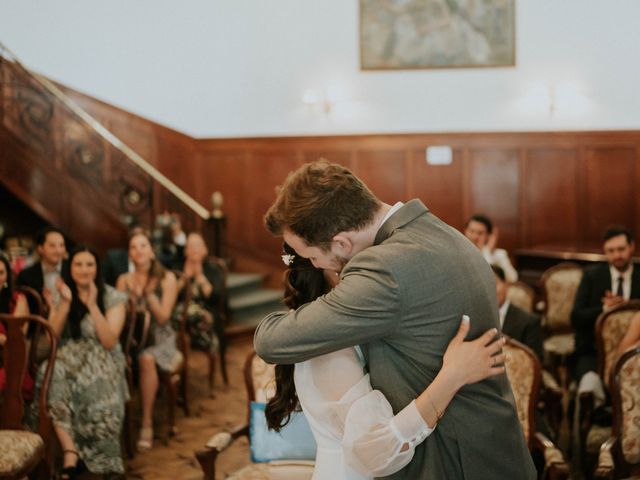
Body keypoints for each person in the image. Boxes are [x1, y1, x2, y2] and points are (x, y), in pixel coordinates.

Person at [254, 160, 535, 479]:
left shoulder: (385, 269)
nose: (314, 265)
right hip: (493, 451)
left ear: (343, 243)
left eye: (311, 256)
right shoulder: (439, 231)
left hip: (452, 463)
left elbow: (270, 341)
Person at [266, 245, 506, 479]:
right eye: (350, 269)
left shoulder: (336, 335)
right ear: (322, 273)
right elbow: (375, 454)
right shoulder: (330, 353)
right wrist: (452, 377)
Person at [29, 246, 128, 478]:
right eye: (78, 264)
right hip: (68, 356)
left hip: (103, 357)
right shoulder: (61, 294)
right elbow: (51, 337)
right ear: (69, 268)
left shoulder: (113, 297)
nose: (84, 270)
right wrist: (64, 303)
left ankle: (103, 458)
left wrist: (93, 305)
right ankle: (70, 451)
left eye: (89, 264)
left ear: (97, 268)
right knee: (49, 372)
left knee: (98, 391)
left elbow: (109, 341)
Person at [116, 230, 179, 452]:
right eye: (133, 247)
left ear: (151, 251)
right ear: (130, 254)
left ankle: (146, 423)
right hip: (132, 337)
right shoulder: (123, 280)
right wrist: (131, 297)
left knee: (146, 360)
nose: (138, 251)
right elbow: (119, 317)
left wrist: (147, 294)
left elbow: (163, 317)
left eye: (143, 245)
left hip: (160, 337)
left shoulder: (167, 278)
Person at [571, 225, 640, 382]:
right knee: (589, 386)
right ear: (605, 252)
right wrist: (604, 309)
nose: (617, 255)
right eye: (611, 251)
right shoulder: (591, 276)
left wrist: (628, 306)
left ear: (632, 247)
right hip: (593, 350)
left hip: (635, 351)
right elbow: (576, 317)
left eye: (621, 249)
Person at [172, 232, 226, 354]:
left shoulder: (213, 269)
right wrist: (185, 277)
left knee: (190, 315)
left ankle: (186, 341)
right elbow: (171, 296)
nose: (194, 249)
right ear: (185, 251)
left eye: (198, 245)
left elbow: (214, 297)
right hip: (183, 317)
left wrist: (199, 276)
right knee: (181, 314)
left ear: (204, 250)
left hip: (207, 316)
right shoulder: (178, 268)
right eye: (190, 246)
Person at [492, 265, 544, 360]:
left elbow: (536, 362)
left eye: (494, 285)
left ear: (506, 285)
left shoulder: (529, 322)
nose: (490, 291)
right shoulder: (474, 319)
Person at [0, 253, 32, 397]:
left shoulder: (18, 299)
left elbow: (18, 335)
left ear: (7, 275)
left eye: (1, 272)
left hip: (9, 358)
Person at [17, 226, 67, 313]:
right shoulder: (26, 275)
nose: (58, 250)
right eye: (52, 246)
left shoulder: (73, 270)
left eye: (61, 245)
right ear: (40, 248)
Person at [464, 214, 518, 282]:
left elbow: (513, 278)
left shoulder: (499, 254)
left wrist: (488, 253)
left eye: (480, 233)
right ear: (465, 231)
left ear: (488, 236)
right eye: (471, 231)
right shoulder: (459, 253)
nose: (475, 237)